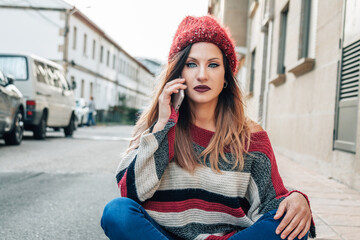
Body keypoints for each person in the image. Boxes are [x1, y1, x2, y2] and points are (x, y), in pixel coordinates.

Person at [101, 15, 316, 240]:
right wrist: (163, 125)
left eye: (213, 65)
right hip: (164, 235)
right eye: (191, 64)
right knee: (117, 212)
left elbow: (272, 203)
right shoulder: (157, 126)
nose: (202, 75)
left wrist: (297, 199)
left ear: (225, 77)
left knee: (291, 223)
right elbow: (131, 193)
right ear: (178, 73)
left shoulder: (250, 136)